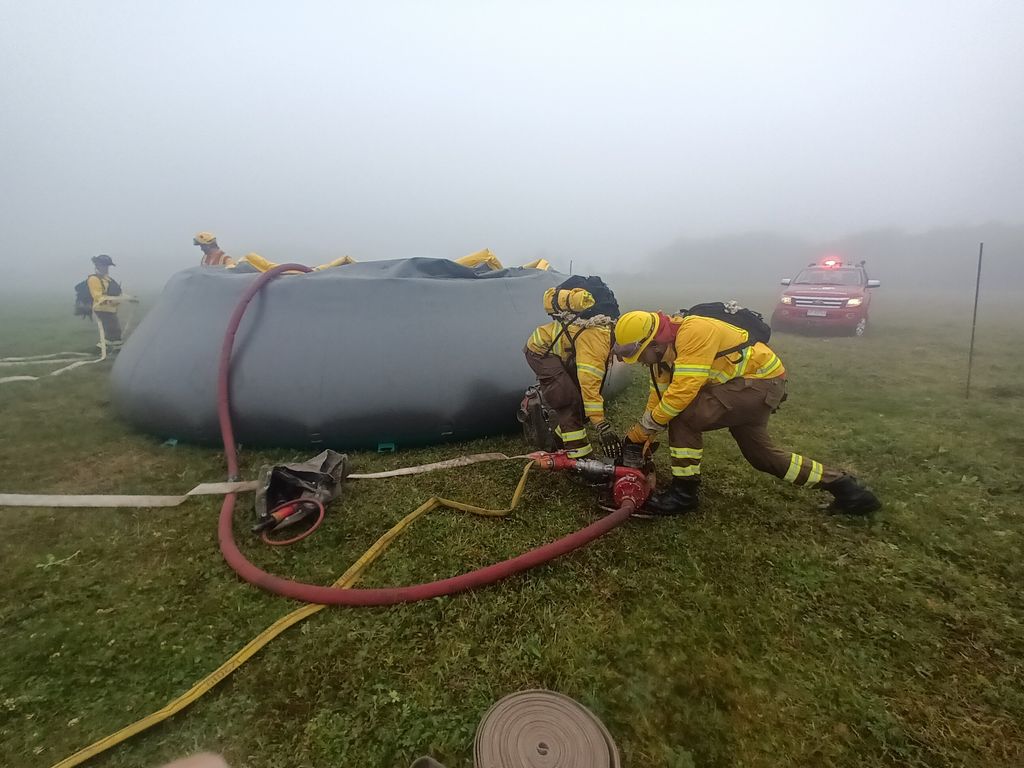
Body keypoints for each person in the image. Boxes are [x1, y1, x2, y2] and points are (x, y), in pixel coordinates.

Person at [613, 309, 881, 516]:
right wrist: (641, 437)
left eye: (640, 357)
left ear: (655, 343)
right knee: (762, 457)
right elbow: (657, 401)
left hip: (761, 383)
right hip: (742, 389)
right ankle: (846, 488)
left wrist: (641, 432)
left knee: (685, 416)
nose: (639, 364)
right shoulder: (662, 360)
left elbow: (682, 393)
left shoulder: (694, 331)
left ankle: (684, 494)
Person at [524, 278, 621, 460]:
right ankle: (580, 459)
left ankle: (556, 440)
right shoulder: (597, 341)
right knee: (569, 401)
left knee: (577, 403)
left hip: (559, 352)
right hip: (540, 353)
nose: (622, 359)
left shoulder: (606, 330)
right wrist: (601, 425)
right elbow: (589, 385)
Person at [87, 254, 123, 347]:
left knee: (115, 331)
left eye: (107, 266)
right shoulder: (93, 279)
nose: (106, 268)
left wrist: (129, 298)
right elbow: (98, 296)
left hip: (111, 309)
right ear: (97, 265)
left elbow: (118, 294)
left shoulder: (109, 279)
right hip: (102, 309)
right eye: (104, 266)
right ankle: (103, 348)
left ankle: (111, 346)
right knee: (113, 330)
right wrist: (111, 300)